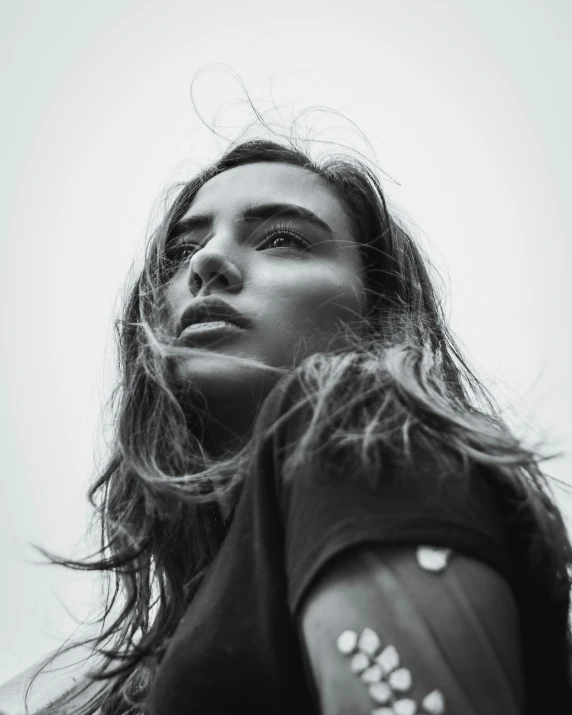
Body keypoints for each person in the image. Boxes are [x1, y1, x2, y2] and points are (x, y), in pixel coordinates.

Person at [4, 137, 572, 715]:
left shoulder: (360, 422)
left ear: (376, 313)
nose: (205, 263)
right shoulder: (145, 656)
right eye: (181, 251)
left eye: (283, 239)